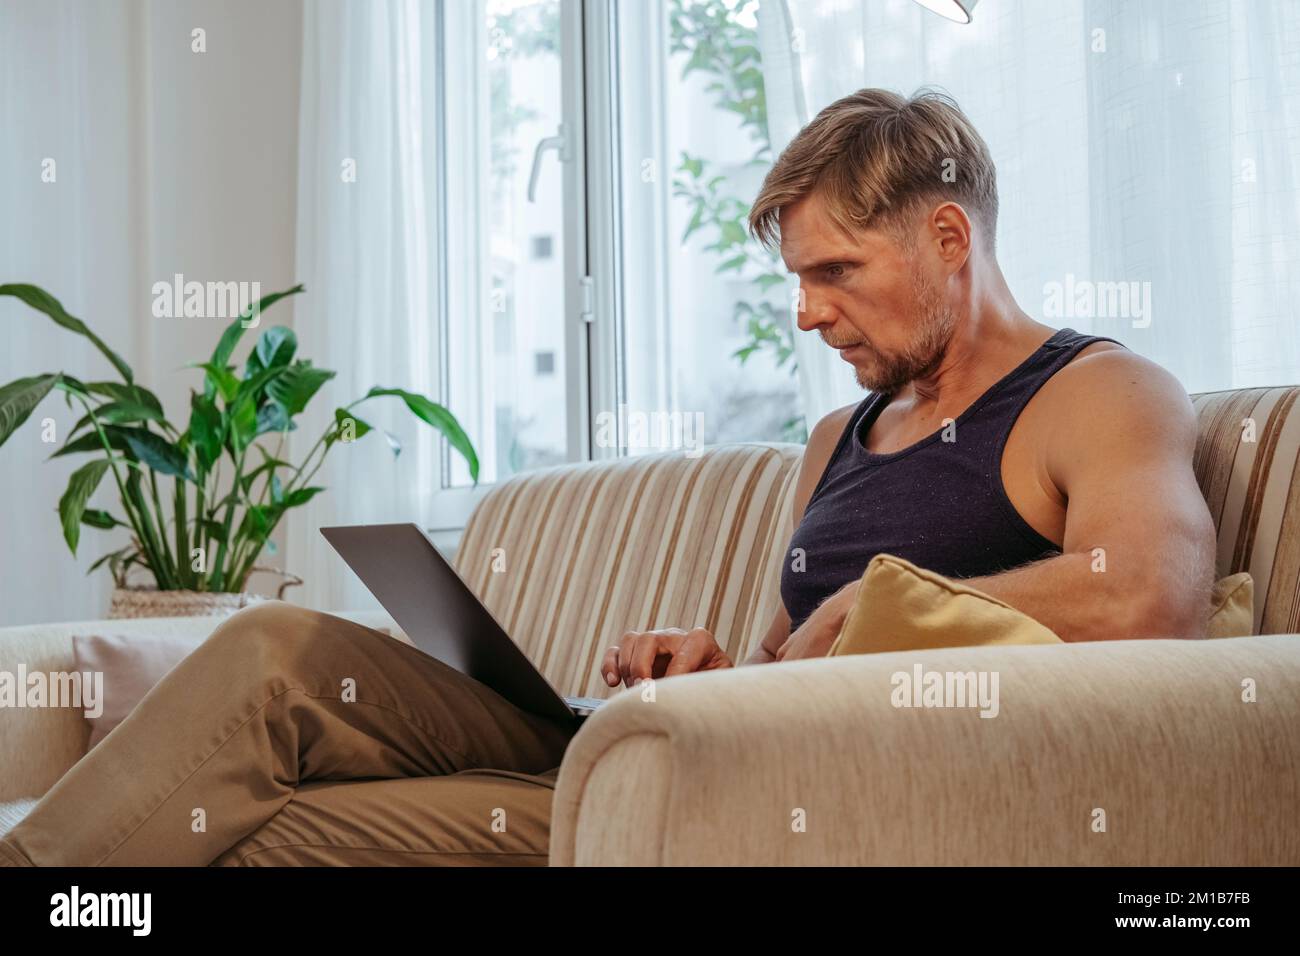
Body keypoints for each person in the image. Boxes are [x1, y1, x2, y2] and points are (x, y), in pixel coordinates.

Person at [0, 88, 1216, 868]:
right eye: (795, 279)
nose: (805, 313)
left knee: (261, 828)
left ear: (947, 236)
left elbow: (1150, 599)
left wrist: (898, 605)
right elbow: (779, 675)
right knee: (280, 651)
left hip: (779, 798)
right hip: (691, 739)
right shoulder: (837, 440)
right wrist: (714, 660)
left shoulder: (1096, 393)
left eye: (835, 271)